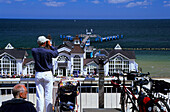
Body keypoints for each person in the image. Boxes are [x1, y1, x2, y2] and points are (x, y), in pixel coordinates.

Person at [32, 36, 58, 112]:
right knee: (48, 96)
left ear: (38, 43)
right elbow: (56, 54)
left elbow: (37, 51)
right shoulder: (49, 52)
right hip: (47, 73)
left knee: (39, 96)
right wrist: (51, 46)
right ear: (45, 43)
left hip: (38, 74)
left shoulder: (34, 51)